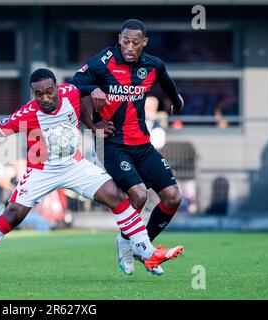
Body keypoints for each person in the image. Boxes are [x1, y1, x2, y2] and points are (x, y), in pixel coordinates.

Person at [0, 68, 183, 282]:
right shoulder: (27, 113)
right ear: (33, 93)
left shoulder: (71, 93)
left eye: (49, 92)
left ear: (56, 87)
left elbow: (92, 92)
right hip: (41, 170)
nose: (45, 98)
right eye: (39, 94)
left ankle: (148, 254)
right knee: (12, 215)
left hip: (75, 166)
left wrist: (93, 123)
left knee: (115, 195)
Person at [68, 19, 185, 276]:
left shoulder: (153, 65)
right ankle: (131, 245)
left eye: (135, 42)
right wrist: (93, 90)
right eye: (125, 41)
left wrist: (175, 101)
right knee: (139, 194)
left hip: (143, 144)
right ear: (119, 38)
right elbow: (71, 85)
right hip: (114, 145)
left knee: (173, 197)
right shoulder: (104, 60)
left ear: (144, 42)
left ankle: (136, 245)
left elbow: (165, 80)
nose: (129, 47)